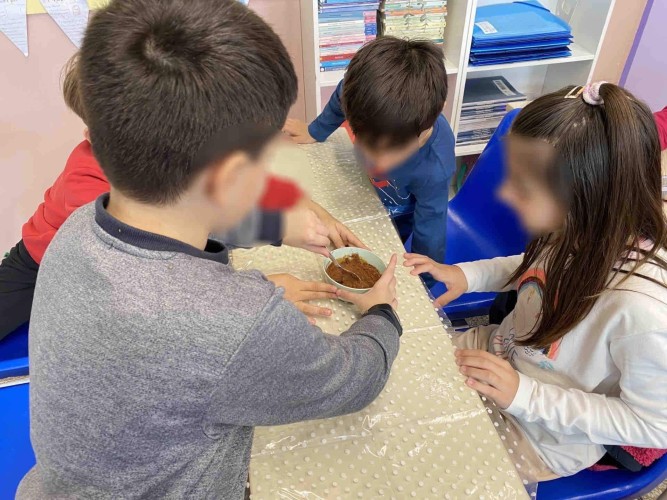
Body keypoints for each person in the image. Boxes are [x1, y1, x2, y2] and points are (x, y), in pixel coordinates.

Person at [17, 1, 401, 498]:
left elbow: (176, 231)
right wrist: (382, 312)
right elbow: (353, 380)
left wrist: (273, 226)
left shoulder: (75, 231)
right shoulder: (240, 323)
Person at [404, 83, 667, 481]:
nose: (506, 193)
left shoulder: (640, 311)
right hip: (498, 354)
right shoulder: (578, 229)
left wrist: (523, 394)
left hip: (541, 435)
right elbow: (537, 266)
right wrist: (468, 275)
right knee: (405, 378)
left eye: (524, 188)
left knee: (427, 471)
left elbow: (652, 425)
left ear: (588, 197)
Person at [0, 54, 366, 340]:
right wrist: (256, 289)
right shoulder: (90, 189)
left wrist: (303, 206)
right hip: (41, 266)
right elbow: (163, 274)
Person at [284, 37, 455, 287]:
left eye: (393, 151)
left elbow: (431, 232)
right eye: (367, 144)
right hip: (362, 195)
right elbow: (342, 94)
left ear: (438, 111)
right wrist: (315, 131)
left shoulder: (435, 167)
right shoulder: (359, 94)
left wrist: (424, 284)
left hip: (397, 217)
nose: (378, 161)